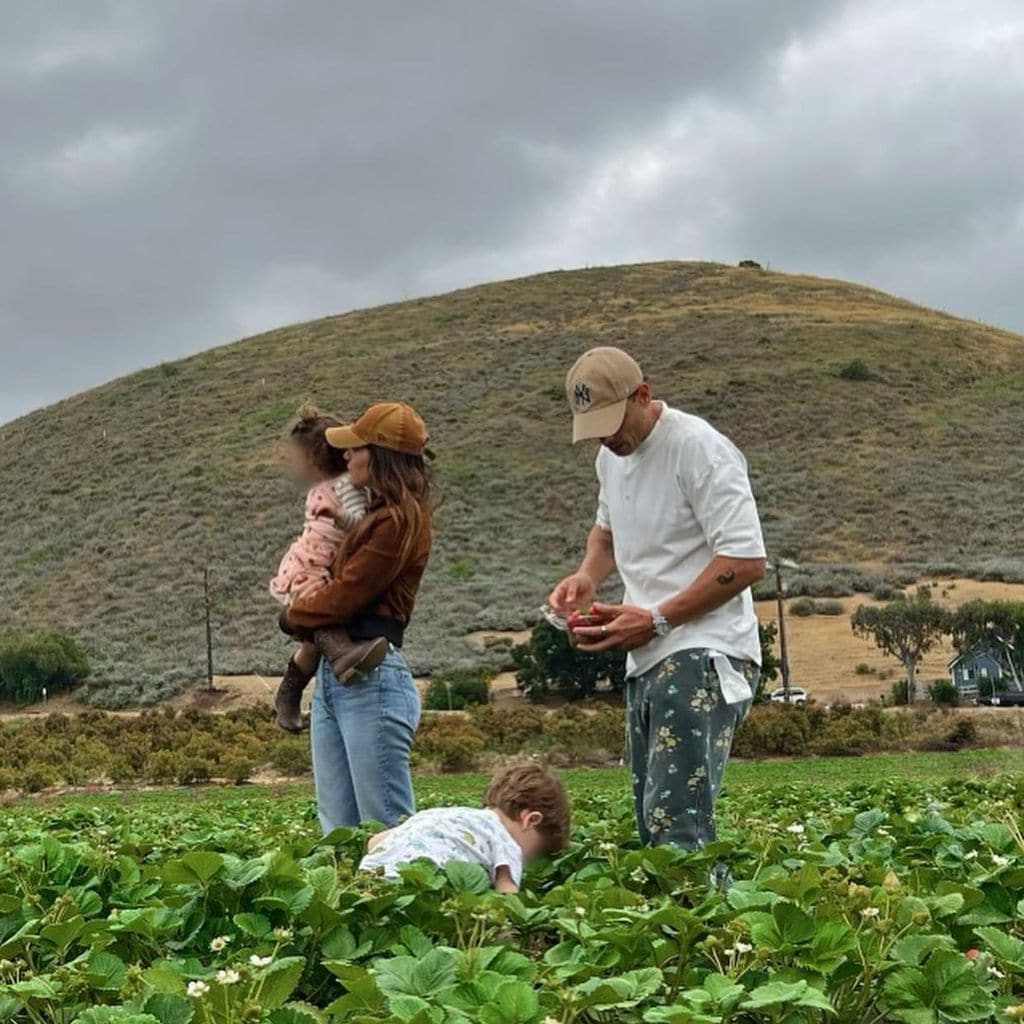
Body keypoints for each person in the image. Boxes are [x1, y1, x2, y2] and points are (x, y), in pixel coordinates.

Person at [548, 347, 766, 852]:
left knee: (676, 825)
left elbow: (747, 560)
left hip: (704, 652)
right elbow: (604, 535)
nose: (606, 437)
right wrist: (586, 576)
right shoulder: (611, 457)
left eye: (612, 422)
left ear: (642, 395)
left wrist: (659, 619)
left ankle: (696, 925)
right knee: (653, 820)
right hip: (647, 653)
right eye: (595, 428)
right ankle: (685, 921)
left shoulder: (698, 448)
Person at [281, 401, 434, 833]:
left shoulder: (401, 520)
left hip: (373, 678)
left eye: (356, 448)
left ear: (381, 455)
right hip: (339, 678)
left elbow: (345, 598)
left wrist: (293, 615)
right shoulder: (373, 514)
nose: (346, 457)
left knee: (385, 830)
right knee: (340, 834)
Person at [269, 405, 390, 733]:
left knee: (310, 643)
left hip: (317, 565)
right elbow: (358, 525)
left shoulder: (341, 489)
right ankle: (343, 656)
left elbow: (356, 524)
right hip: (312, 567)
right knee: (320, 623)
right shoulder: (340, 489)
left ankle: (288, 697)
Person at [359, 763, 570, 892]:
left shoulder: (448, 814)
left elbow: (375, 841)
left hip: (369, 877)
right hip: (415, 888)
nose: (525, 860)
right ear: (530, 820)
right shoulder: (505, 840)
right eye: (533, 852)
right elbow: (507, 897)